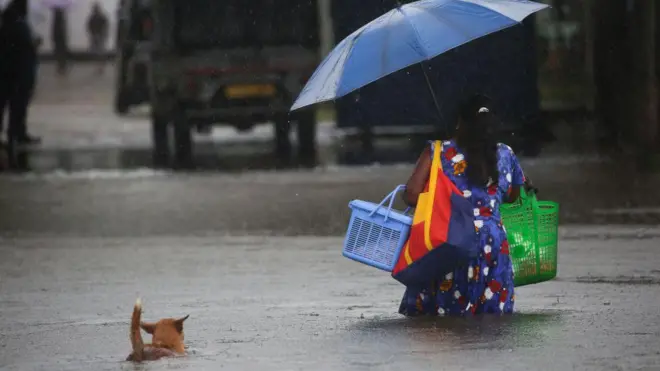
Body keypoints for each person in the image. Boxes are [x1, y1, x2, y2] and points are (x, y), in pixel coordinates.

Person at [399, 94, 526, 316]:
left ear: (459, 123)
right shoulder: (505, 153)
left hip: (449, 238)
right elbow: (513, 195)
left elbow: (411, 195)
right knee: (490, 319)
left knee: (441, 322)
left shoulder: (437, 151)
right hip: (492, 243)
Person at [0, 0, 40, 151]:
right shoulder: (18, 25)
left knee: (11, 106)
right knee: (18, 107)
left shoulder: (8, 24)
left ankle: (16, 134)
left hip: (10, 73)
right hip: (18, 74)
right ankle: (15, 135)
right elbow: (23, 48)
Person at [86, 2, 109, 74]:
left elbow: (89, 26)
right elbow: (106, 26)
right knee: (100, 52)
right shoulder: (102, 16)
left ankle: (98, 67)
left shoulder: (92, 17)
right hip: (100, 36)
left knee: (96, 53)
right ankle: (100, 67)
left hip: (95, 36)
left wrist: (92, 33)